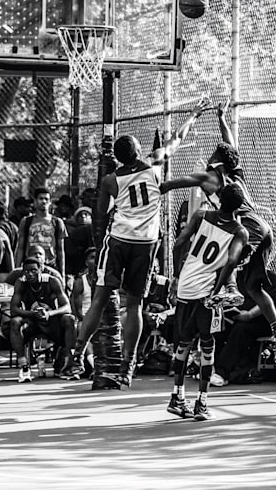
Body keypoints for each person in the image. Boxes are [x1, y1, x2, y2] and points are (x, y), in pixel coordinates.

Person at [62, 98, 206, 385]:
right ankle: (128, 365)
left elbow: (99, 215)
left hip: (119, 240)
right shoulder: (154, 164)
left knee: (101, 299)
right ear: (140, 151)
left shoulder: (111, 181)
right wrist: (193, 115)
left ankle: (76, 354)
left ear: (116, 158)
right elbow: (176, 139)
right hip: (146, 242)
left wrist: (106, 230)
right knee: (136, 305)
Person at [159, 100, 276, 366]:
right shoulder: (235, 171)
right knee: (255, 287)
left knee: (229, 258)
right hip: (262, 227)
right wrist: (222, 118)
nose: (208, 156)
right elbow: (229, 144)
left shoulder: (210, 176)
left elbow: (177, 183)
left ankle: (230, 289)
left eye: (211, 154)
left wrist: (160, 185)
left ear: (215, 160)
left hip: (247, 228)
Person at [166, 183, 249, 422]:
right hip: (206, 293)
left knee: (183, 342)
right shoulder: (239, 231)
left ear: (219, 199)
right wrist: (217, 288)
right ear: (240, 207)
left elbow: (180, 242)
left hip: (186, 286)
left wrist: (176, 275)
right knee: (207, 344)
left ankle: (177, 395)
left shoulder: (201, 215)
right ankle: (202, 402)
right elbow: (232, 261)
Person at [9, 257, 75, 383]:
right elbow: (13, 309)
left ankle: (70, 363)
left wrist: (49, 313)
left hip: (52, 322)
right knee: (15, 322)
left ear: (41, 269)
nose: (30, 274)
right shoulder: (20, 283)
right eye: (26, 271)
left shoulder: (52, 281)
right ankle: (24, 366)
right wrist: (32, 313)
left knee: (69, 319)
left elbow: (67, 307)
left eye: (34, 271)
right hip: (33, 322)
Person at [16, 187, 67, 276]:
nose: (44, 202)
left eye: (46, 199)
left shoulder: (57, 222)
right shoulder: (26, 221)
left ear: (50, 202)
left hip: (50, 265)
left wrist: (62, 274)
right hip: (30, 265)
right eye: (41, 199)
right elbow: (20, 248)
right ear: (35, 201)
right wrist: (17, 270)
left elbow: (60, 250)